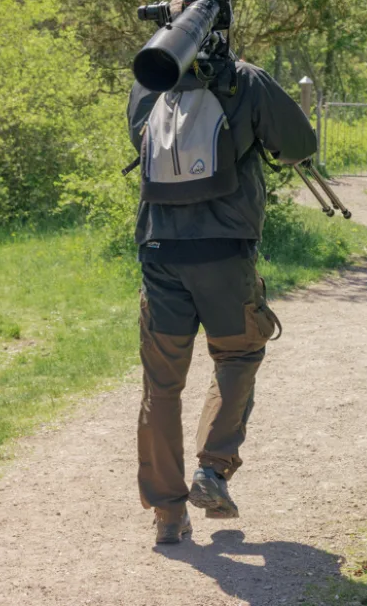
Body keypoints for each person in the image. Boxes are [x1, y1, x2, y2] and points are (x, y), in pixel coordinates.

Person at [128, 41, 316, 546]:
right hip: (225, 255)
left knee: (162, 384)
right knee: (238, 355)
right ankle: (212, 469)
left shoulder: (151, 79)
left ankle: (168, 514)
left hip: (160, 252)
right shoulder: (244, 79)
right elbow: (300, 144)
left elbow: (137, 140)